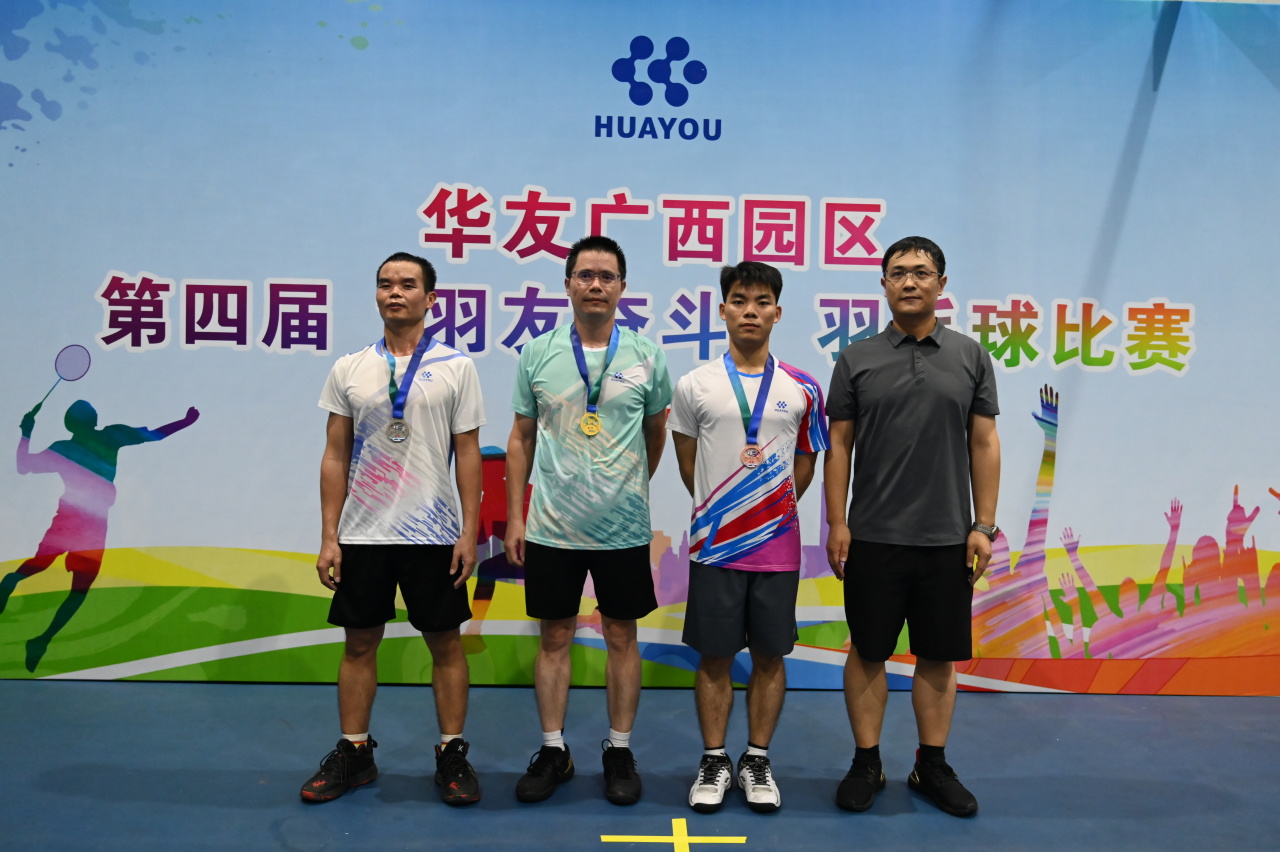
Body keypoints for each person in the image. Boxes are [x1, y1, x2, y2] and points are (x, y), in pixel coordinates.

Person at [824, 236, 1000, 817]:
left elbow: (984, 442)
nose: (909, 281)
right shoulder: (856, 359)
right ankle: (866, 762)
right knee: (868, 651)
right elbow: (839, 446)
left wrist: (984, 525)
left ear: (941, 284)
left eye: (922, 272)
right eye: (898, 272)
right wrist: (837, 521)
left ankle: (932, 765)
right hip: (872, 536)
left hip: (947, 539)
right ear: (883, 284)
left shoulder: (971, 356)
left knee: (937, 656)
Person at [301, 251, 485, 806]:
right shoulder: (350, 367)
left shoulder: (456, 367)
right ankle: (355, 752)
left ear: (431, 298)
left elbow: (468, 454)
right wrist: (329, 536)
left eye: (407, 284)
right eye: (385, 284)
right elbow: (335, 455)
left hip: (434, 534)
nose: (395, 293)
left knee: (445, 643)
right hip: (364, 533)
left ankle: (452, 753)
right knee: (359, 644)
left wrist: (469, 532)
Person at [504, 235, 672, 806]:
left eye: (606, 276)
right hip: (552, 526)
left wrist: (627, 486)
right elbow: (521, 437)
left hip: (622, 529)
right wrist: (516, 516)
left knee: (621, 635)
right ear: (568, 284)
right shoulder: (538, 353)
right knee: (554, 636)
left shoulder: (647, 355)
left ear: (622, 287)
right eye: (585, 275)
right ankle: (554, 749)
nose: (595, 284)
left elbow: (655, 432)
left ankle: (619, 749)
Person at [668, 261, 829, 814]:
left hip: (777, 550)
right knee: (714, 657)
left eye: (762, 302)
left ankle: (756, 758)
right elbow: (688, 463)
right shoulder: (694, 385)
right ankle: (714, 759)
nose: (750, 311)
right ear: (723, 310)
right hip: (714, 549)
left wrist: (768, 514)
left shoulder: (803, 387)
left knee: (769, 655)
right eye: (739, 301)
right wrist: (725, 514)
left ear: (777, 313)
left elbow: (806, 461)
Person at [3, 399, 199, 672]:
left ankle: (12, 582)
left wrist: (26, 432)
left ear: (70, 424)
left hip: (69, 518)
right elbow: (155, 435)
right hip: (93, 524)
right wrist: (185, 422)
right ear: (93, 420)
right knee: (79, 591)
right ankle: (42, 639)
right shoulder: (109, 436)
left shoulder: (64, 448)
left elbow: (24, 465)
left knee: (39, 566)